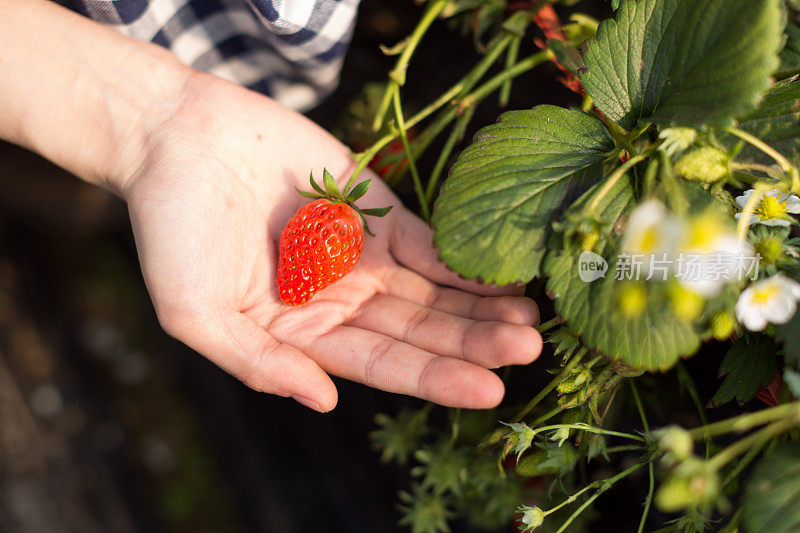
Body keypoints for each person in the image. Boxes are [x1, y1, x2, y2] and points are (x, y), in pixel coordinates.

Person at [0, 0, 543, 412]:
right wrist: (152, 125)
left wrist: (154, 121)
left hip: (198, 82)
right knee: (57, 191)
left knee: (87, 200)